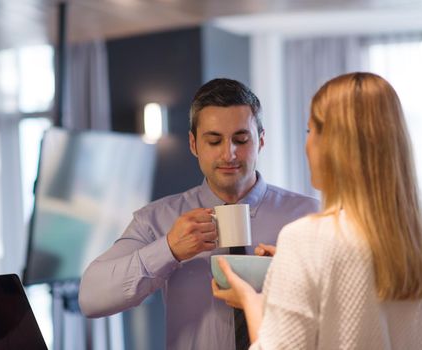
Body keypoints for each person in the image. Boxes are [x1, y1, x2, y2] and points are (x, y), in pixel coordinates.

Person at [78, 78, 319, 350]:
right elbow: (90, 297)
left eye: (241, 139)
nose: (229, 154)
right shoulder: (156, 220)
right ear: (193, 144)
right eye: (214, 141)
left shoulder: (310, 216)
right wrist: (168, 250)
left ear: (261, 141)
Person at [212, 72, 422, 349]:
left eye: (310, 131)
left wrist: (250, 300)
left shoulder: (308, 237)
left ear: (333, 144)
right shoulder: (413, 241)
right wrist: (296, 268)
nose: (307, 144)